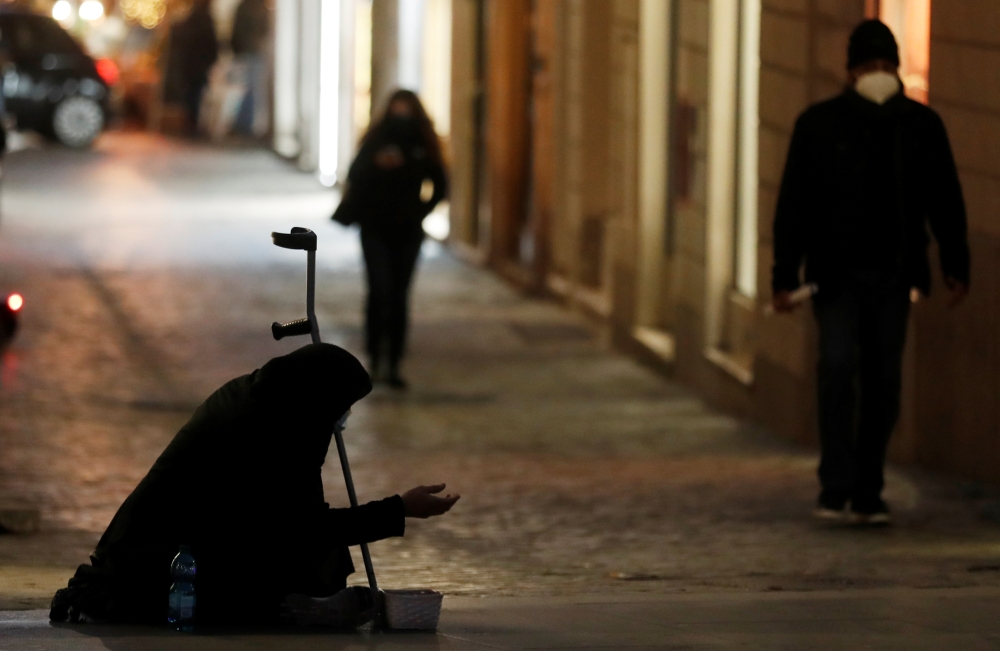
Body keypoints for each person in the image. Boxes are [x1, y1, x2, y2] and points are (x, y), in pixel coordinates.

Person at [49, 344, 459, 625]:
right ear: (320, 396)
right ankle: (287, 609)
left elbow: (294, 516)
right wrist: (399, 509)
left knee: (323, 559)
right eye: (343, 405)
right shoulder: (277, 429)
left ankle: (294, 602)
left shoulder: (264, 396)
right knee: (304, 559)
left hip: (171, 541)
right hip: (157, 563)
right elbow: (305, 527)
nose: (344, 416)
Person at [771, 20, 970, 525]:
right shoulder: (818, 125)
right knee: (837, 367)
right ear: (851, 71)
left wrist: (954, 263)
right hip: (834, 278)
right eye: (870, 66)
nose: (879, 75)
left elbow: (945, 199)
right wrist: (783, 276)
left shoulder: (920, 127)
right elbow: (793, 205)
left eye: (886, 66)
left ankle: (868, 485)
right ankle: (836, 483)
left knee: (883, 382)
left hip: (894, 274)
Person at [343, 90, 448, 389]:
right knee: (378, 290)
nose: (401, 116)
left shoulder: (424, 145)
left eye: (406, 110)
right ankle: (375, 357)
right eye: (396, 109)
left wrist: (418, 213)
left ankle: (394, 362)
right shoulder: (375, 140)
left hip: (407, 231)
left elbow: (439, 185)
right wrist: (377, 165)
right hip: (375, 228)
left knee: (399, 295)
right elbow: (355, 174)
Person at [173, 0, 219, 134]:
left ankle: (191, 123)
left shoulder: (190, 19)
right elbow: (212, 43)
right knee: (197, 94)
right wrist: (212, 59)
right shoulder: (205, 19)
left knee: (191, 94)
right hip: (200, 64)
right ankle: (193, 124)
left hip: (190, 64)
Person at [230, 0, 269, 136]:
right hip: (253, 51)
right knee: (251, 89)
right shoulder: (260, 7)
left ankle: (244, 124)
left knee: (247, 88)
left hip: (246, 52)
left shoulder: (245, 6)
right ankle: (246, 124)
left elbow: (236, 31)